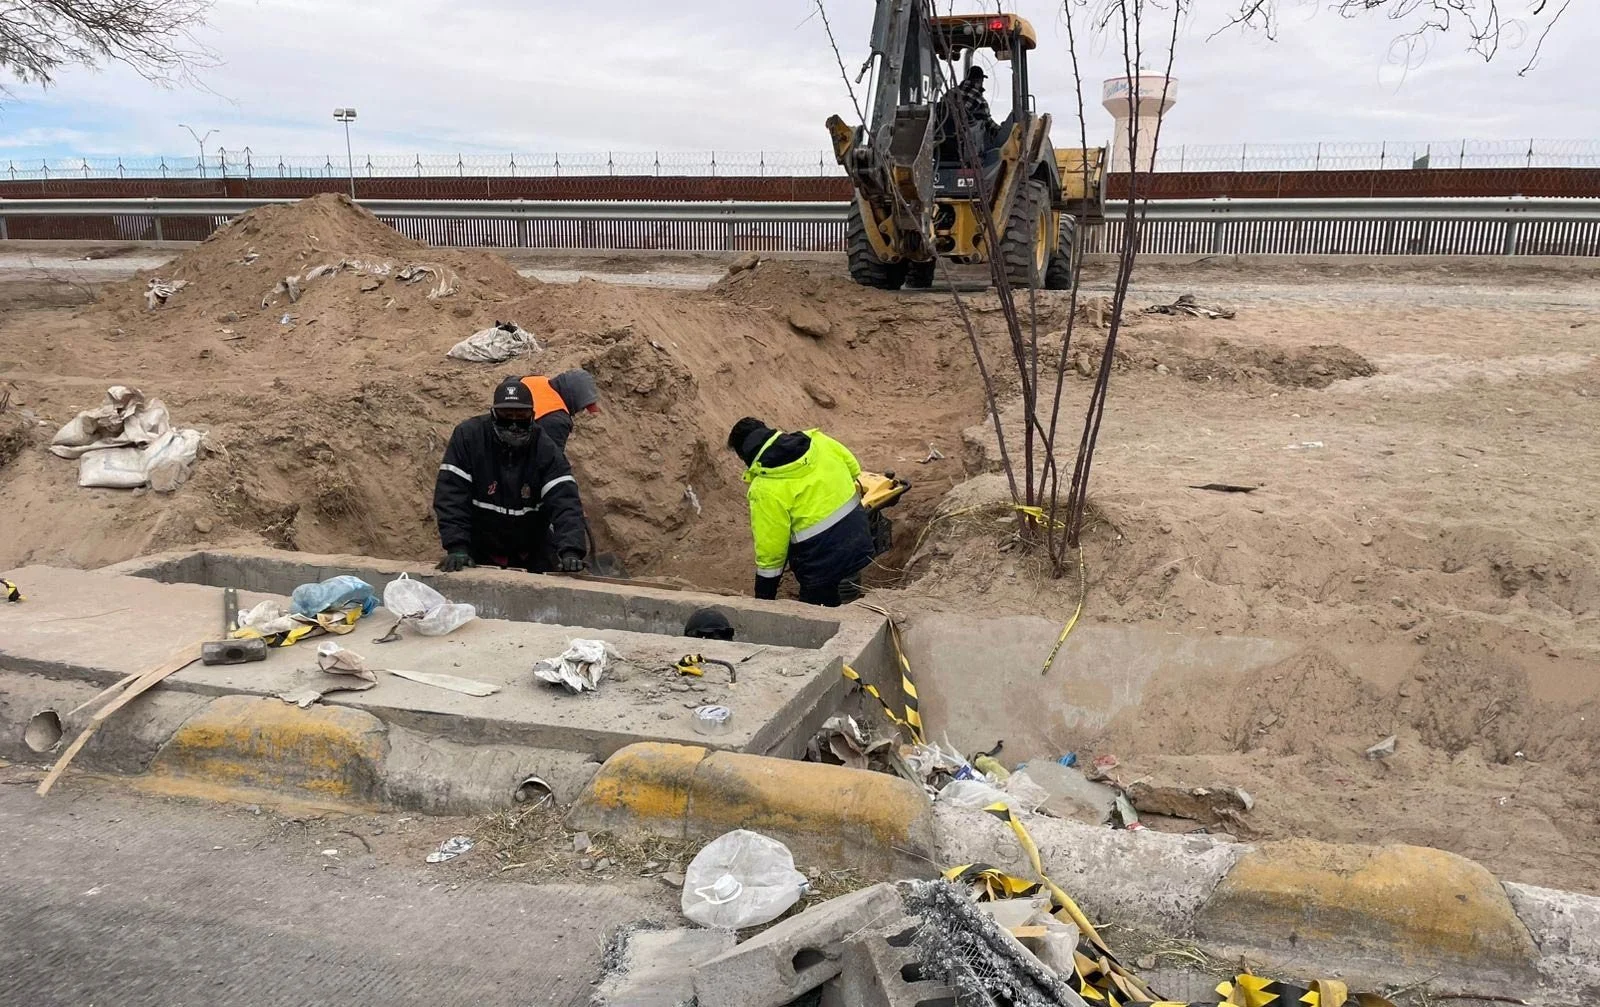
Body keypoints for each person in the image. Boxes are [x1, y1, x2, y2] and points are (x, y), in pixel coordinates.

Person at [433, 377, 588, 574]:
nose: (514, 425)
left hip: (532, 549)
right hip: (479, 549)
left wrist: (571, 551)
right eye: (506, 416)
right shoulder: (469, 437)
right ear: (493, 414)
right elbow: (451, 495)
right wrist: (457, 546)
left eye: (521, 417)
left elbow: (565, 501)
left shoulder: (545, 447)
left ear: (532, 416)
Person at [727, 417, 875, 607]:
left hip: (820, 565)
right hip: (858, 537)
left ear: (744, 454)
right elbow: (854, 469)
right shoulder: (819, 441)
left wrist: (764, 598)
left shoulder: (764, 489)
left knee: (819, 618)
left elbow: (772, 551)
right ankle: (850, 597)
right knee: (848, 583)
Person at [521, 368, 600, 455]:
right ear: (573, 399)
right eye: (581, 407)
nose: (580, 411)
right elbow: (550, 461)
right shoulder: (557, 420)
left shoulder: (536, 380)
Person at [943, 64, 999, 152]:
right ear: (979, 80)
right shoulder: (979, 100)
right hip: (967, 146)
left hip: (944, 140)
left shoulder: (949, 93)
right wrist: (1000, 130)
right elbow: (989, 124)